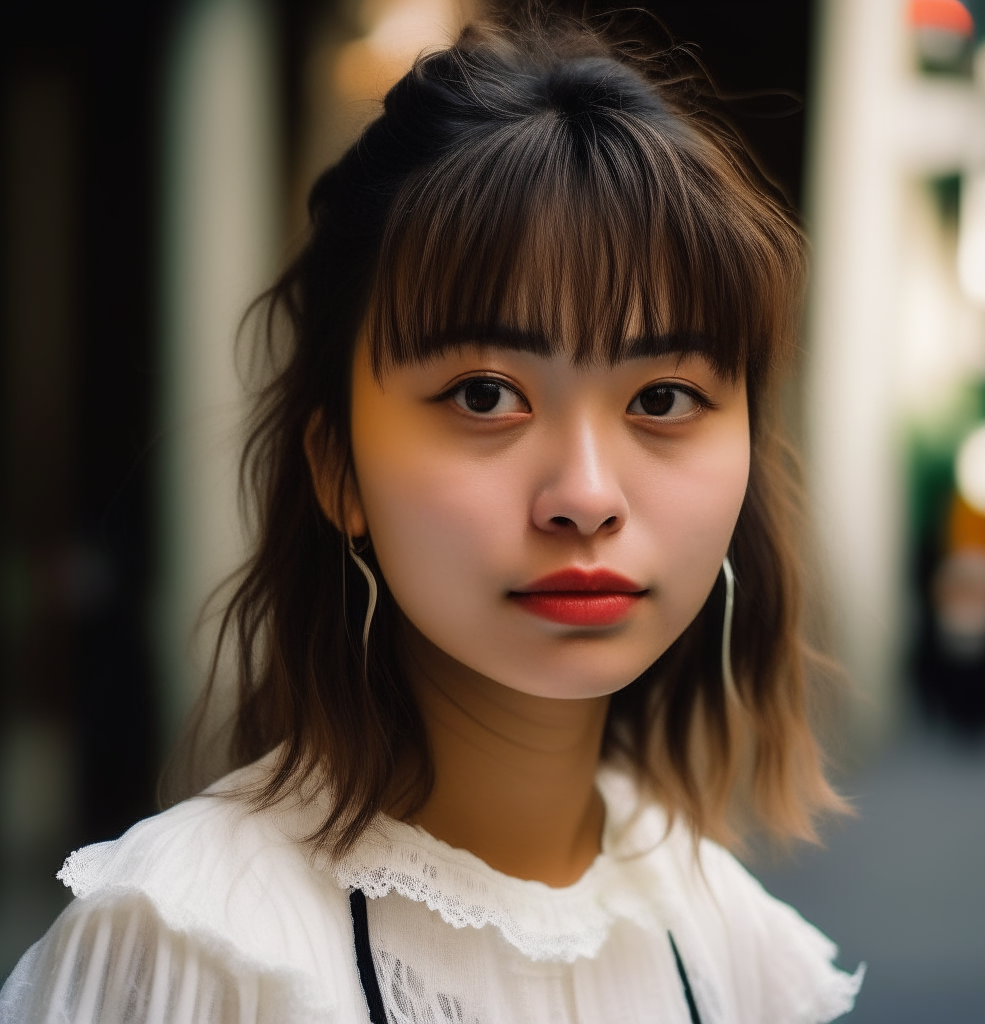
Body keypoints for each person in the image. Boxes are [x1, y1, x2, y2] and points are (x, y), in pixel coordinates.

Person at [0, 14, 864, 1023]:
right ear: (339, 468)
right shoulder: (201, 944)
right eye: (485, 395)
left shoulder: (729, 941)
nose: (586, 495)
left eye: (662, 399)